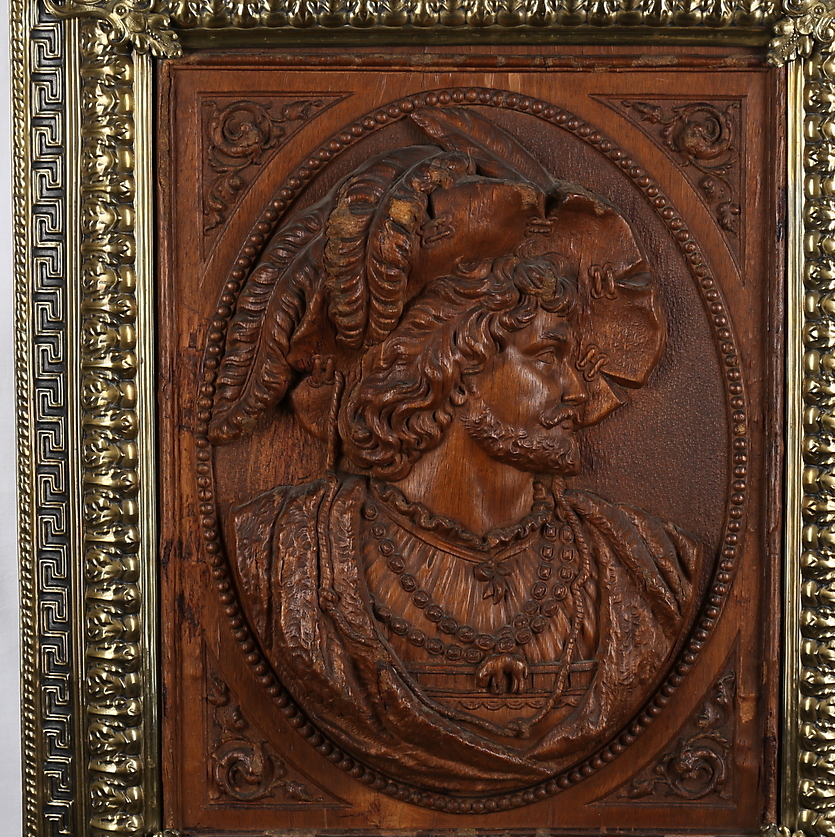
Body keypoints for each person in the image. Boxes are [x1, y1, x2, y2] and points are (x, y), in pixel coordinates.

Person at [228, 251, 700, 795]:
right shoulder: (287, 547)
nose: (578, 391)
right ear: (453, 375)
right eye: (548, 357)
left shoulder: (644, 561)